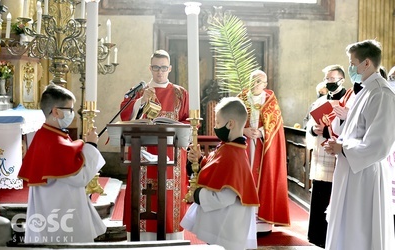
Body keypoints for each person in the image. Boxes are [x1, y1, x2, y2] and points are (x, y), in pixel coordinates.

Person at [323, 39, 395, 249]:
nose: (350, 67)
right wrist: (339, 143)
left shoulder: (381, 94)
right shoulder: (365, 91)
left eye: (352, 62)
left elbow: (379, 144)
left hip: (365, 175)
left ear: (366, 63)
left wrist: (343, 149)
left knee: (360, 230)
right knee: (347, 228)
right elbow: (356, 132)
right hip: (352, 171)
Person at [18, 84, 106, 243]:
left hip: (53, 208)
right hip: (62, 212)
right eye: (70, 109)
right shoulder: (54, 143)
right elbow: (81, 178)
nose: (72, 114)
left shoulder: (45, 135)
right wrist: (91, 145)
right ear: (56, 111)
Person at [119, 49, 189, 240]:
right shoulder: (140, 91)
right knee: (143, 192)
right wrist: (141, 101)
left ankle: (171, 236)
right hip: (142, 151)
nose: (160, 72)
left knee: (168, 194)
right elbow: (125, 115)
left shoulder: (180, 93)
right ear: (150, 68)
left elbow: (188, 121)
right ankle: (141, 238)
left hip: (171, 153)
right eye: (156, 67)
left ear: (170, 69)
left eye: (164, 68)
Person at [180, 97, 259, 250]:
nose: (215, 127)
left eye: (217, 122)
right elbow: (216, 171)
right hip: (221, 223)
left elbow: (225, 197)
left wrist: (196, 195)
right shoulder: (229, 147)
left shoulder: (233, 155)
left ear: (230, 124)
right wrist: (200, 159)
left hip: (227, 226)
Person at [239, 69, 290, 233]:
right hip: (243, 143)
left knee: (262, 177)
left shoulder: (270, 100)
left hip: (262, 145)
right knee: (244, 177)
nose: (256, 84)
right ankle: (243, 218)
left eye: (260, 81)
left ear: (265, 84)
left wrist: (260, 131)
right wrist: (244, 130)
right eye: (253, 80)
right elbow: (231, 119)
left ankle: (261, 221)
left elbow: (275, 123)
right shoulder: (241, 98)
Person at [305, 65, 347, 248]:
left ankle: (332, 237)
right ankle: (316, 235)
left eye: (332, 79)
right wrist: (313, 130)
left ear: (341, 79)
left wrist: (329, 132)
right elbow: (309, 123)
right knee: (319, 193)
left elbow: (352, 127)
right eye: (327, 79)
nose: (329, 82)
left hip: (337, 154)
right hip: (320, 154)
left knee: (334, 195)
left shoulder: (348, 100)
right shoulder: (320, 101)